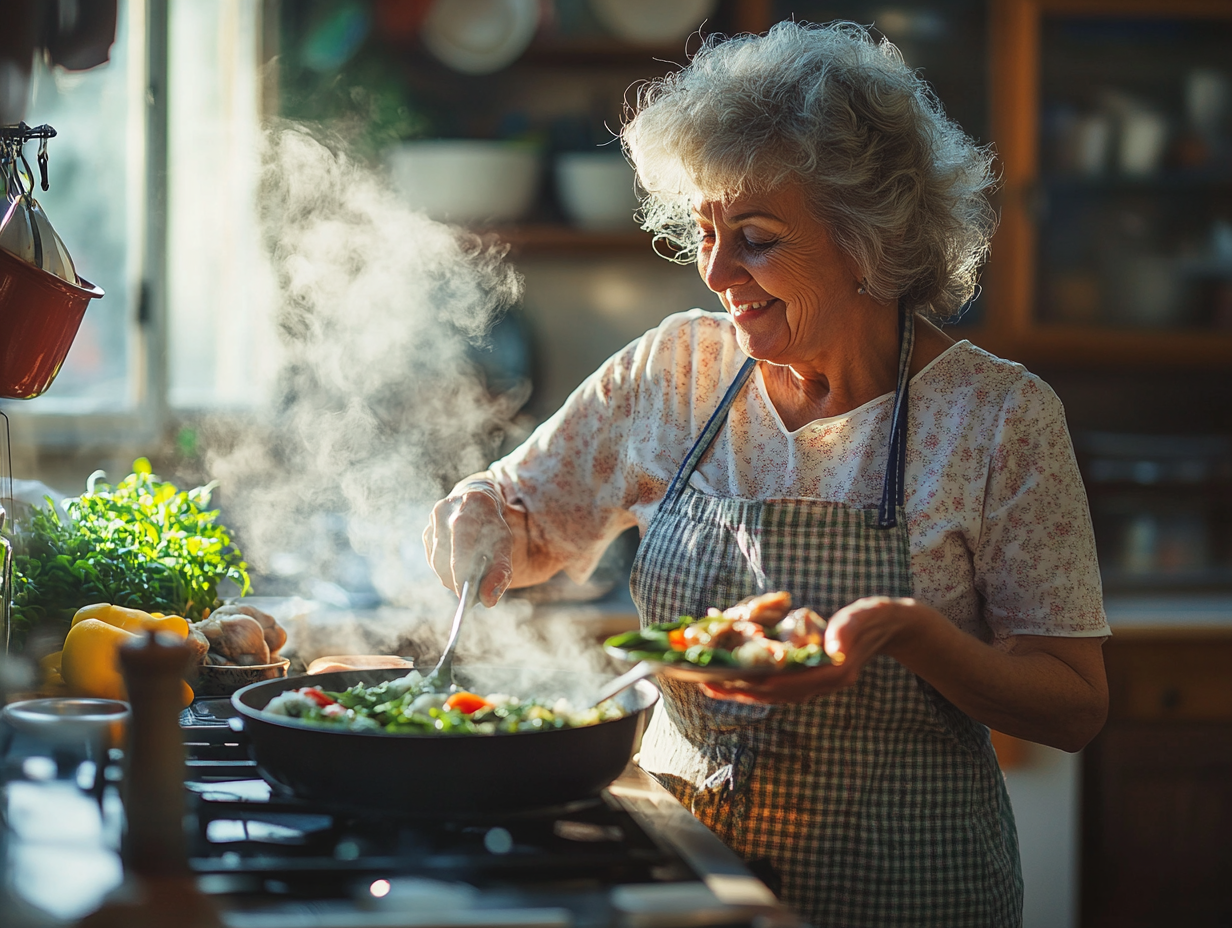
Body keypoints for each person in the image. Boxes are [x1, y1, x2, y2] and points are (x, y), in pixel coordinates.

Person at [424, 21, 1109, 928]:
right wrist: (477, 518)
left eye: (754, 236)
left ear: (871, 236)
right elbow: (523, 523)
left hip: (905, 892)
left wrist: (913, 635)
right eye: (704, 230)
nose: (715, 271)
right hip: (688, 878)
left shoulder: (1000, 418)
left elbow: (1073, 704)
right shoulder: (673, 371)